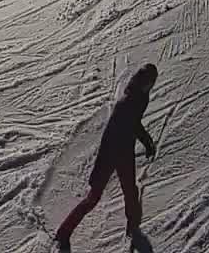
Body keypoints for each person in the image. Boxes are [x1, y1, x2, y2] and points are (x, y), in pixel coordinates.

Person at [56, 63, 158, 252]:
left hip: (125, 151)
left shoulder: (142, 97)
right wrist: (147, 143)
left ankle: (133, 227)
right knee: (93, 198)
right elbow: (119, 132)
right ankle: (63, 233)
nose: (149, 86)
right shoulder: (127, 102)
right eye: (148, 82)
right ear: (142, 81)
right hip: (111, 153)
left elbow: (135, 124)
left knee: (131, 191)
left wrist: (147, 143)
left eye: (151, 83)